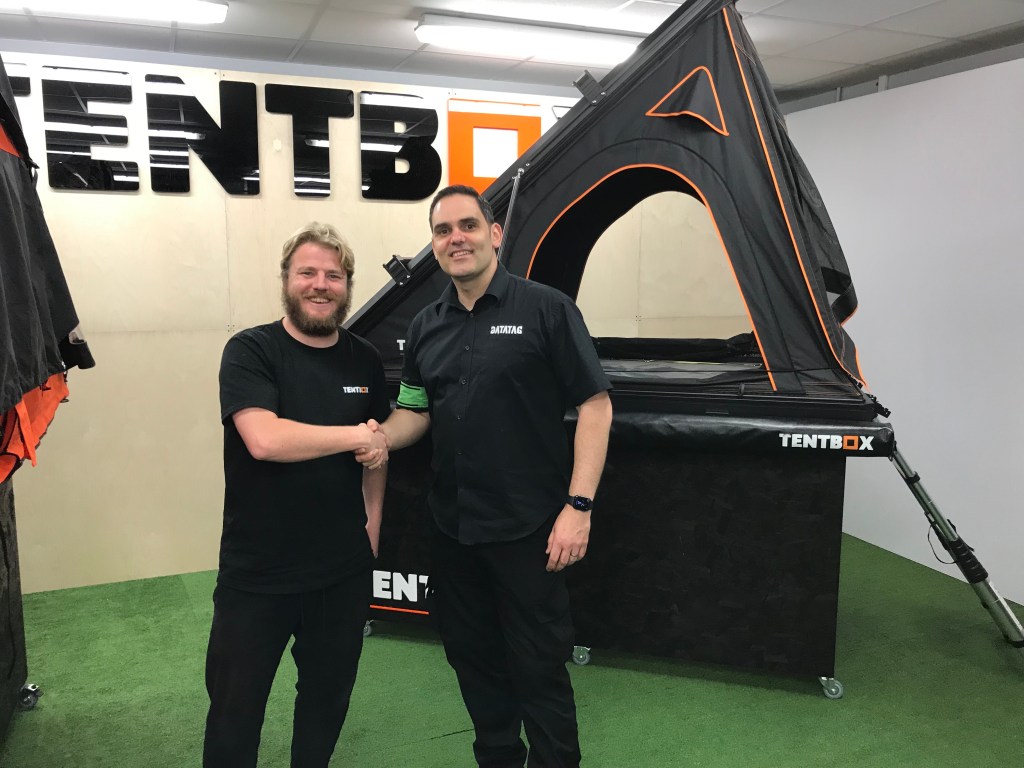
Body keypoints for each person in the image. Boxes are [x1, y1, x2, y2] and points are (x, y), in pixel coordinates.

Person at [362, 185, 613, 768]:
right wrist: (377, 438)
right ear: (434, 245)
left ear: (494, 234)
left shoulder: (547, 309)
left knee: (538, 667)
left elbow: (596, 407)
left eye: (468, 226)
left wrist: (578, 506)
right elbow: (415, 411)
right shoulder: (424, 326)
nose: (457, 239)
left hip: (531, 531)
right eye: (443, 230)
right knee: (472, 660)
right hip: (453, 531)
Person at [203, 222, 390, 768]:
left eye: (334, 275)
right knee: (235, 714)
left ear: (347, 285)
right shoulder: (251, 350)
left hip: (340, 572)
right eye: (307, 272)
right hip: (257, 573)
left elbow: (377, 453)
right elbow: (264, 440)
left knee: (326, 704)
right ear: (286, 279)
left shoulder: (364, 360)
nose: (320, 285)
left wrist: (372, 526)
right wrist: (356, 436)